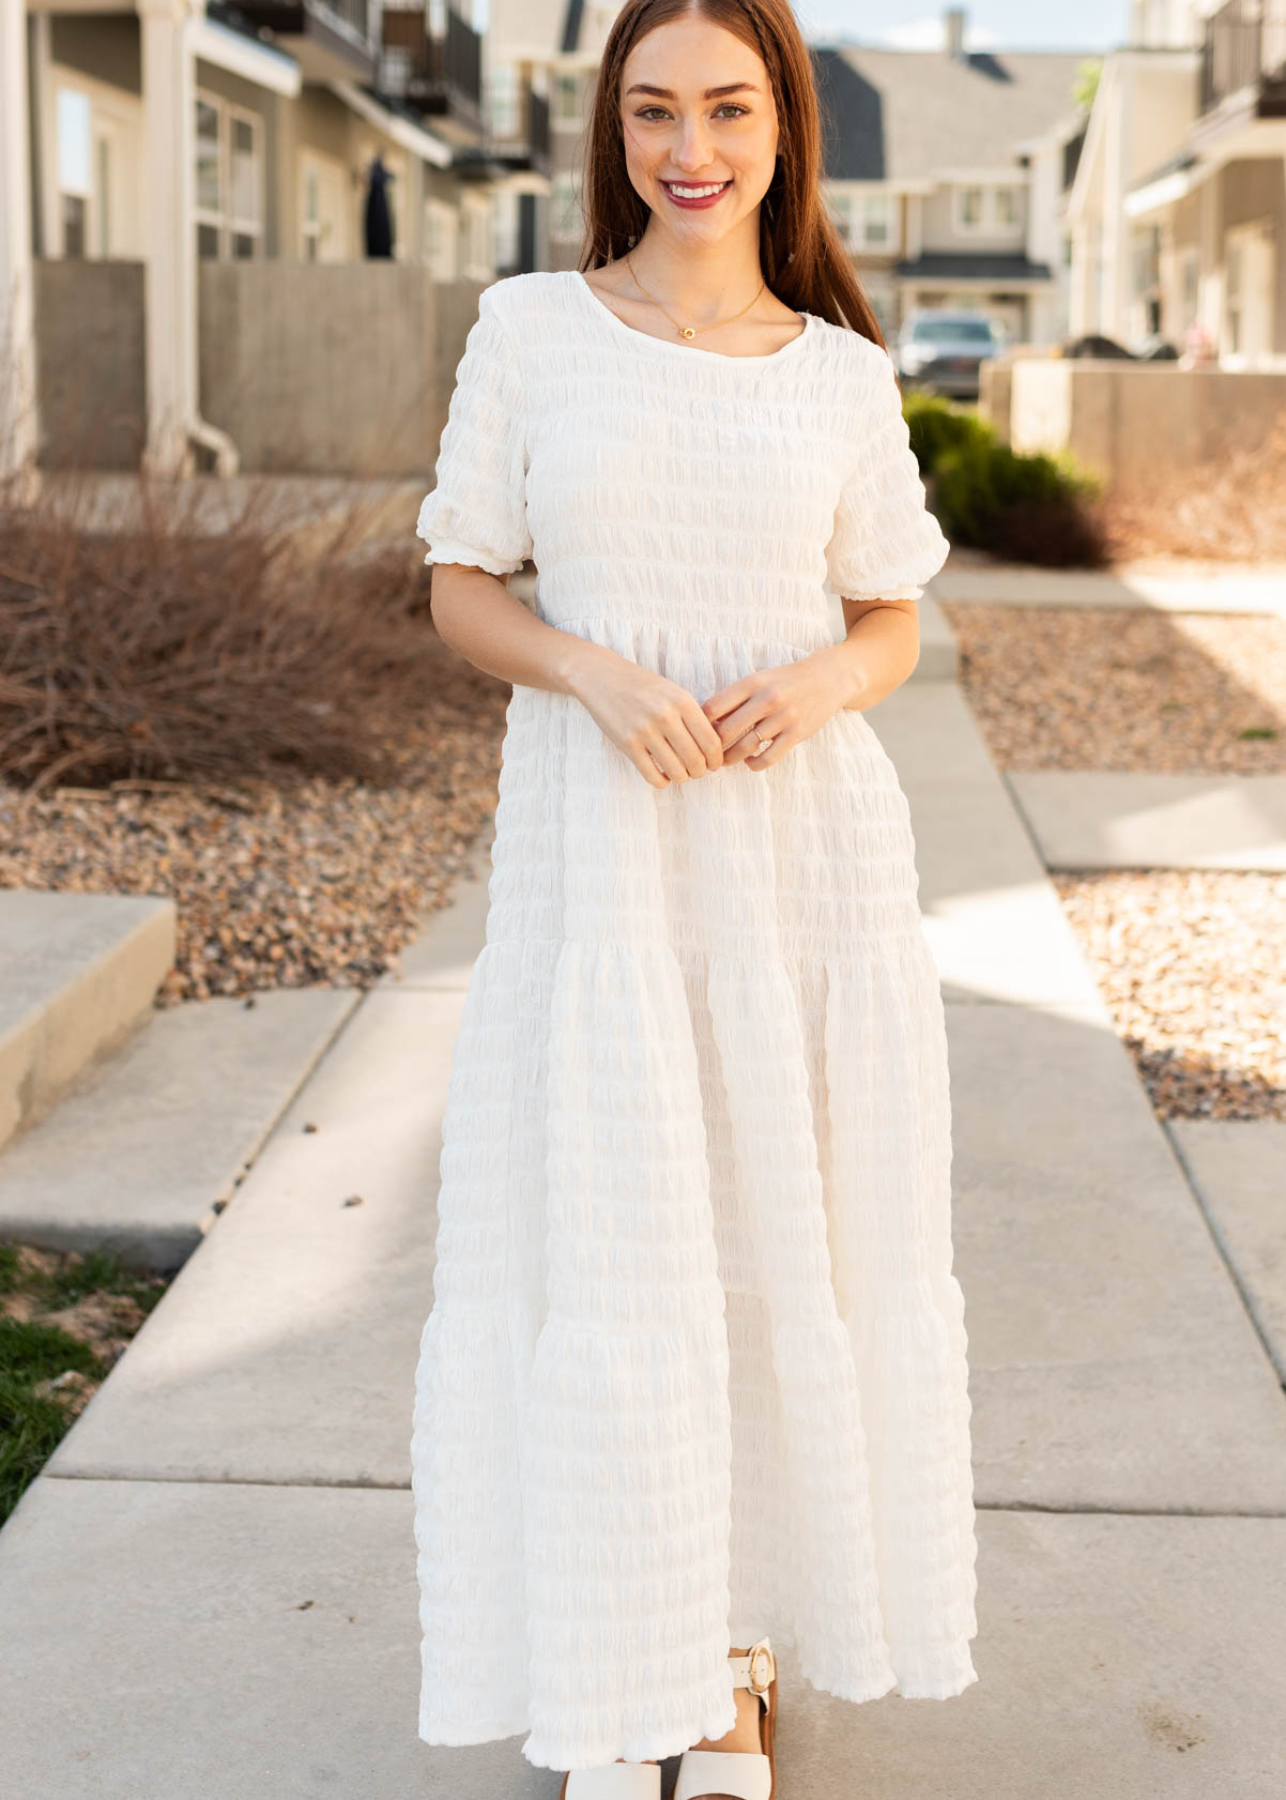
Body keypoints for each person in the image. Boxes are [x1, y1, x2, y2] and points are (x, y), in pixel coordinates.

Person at [409, 4, 979, 1796]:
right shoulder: (530, 330)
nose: (690, 146)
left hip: (798, 870)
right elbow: (457, 582)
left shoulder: (836, 375)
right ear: (614, 130)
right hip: (602, 866)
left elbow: (889, 613)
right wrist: (591, 672)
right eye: (653, 108)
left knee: (766, 1245)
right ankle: (617, 1667)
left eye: (726, 107)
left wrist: (817, 686)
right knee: (610, 1240)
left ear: (781, 126)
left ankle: (731, 1666)